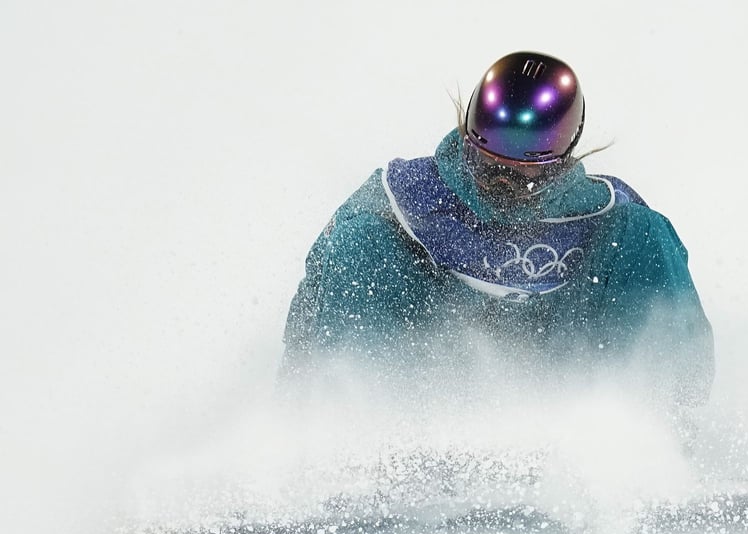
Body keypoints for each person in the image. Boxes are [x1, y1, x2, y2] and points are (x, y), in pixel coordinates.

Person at [279, 51, 714, 413]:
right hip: (423, 370)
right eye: (494, 143)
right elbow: (318, 287)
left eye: (530, 152)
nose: (505, 171)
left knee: (643, 234)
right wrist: (293, 398)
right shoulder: (407, 194)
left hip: (568, 378)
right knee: (361, 241)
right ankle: (337, 431)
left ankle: (660, 425)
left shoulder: (606, 214)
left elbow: (674, 312)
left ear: (566, 146)